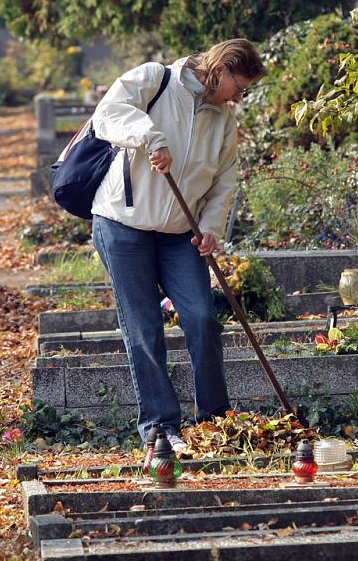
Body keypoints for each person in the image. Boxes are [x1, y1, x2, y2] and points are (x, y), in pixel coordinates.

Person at [89, 38, 266, 453]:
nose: (241, 96)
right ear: (220, 70)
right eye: (239, 87)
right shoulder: (156, 78)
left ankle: (214, 420)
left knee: (203, 317)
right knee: (145, 326)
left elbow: (224, 180)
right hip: (123, 224)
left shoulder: (224, 119)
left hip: (180, 234)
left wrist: (211, 228)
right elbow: (107, 114)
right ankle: (160, 426)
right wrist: (151, 137)